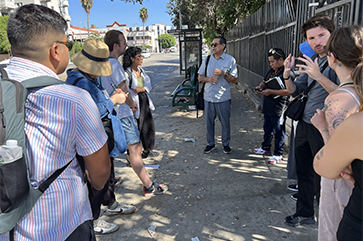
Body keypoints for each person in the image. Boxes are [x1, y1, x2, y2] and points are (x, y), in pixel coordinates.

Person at [0, 4, 111, 240]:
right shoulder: (74, 99)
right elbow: (100, 171)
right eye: (68, 44)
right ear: (56, 50)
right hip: (62, 227)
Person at [66, 39, 137, 235]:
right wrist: (114, 100)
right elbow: (92, 111)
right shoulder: (81, 83)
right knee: (97, 180)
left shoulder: (82, 79)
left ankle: (109, 204)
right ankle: (94, 219)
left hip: (98, 139)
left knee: (106, 177)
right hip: (93, 142)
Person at [282, 14, 339, 227]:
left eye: (321, 35)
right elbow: (296, 91)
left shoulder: (340, 60)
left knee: (325, 177)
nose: (317, 42)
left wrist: (318, 76)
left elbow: (346, 94)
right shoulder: (314, 60)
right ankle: (305, 213)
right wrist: (287, 75)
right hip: (305, 124)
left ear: (332, 34)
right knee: (304, 172)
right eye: (312, 38)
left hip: (325, 128)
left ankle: (329, 221)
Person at [311, 25, 363, 241]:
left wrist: (322, 127)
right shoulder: (356, 91)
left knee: (331, 229)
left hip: (343, 184)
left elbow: (333, 164)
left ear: (332, 58)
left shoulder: (338, 99)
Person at [100, 30, 168, 196]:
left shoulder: (101, 63)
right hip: (122, 113)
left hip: (110, 113)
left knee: (110, 151)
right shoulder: (114, 64)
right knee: (135, 149)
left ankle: (107, 186)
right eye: (124, 43)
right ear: (116, 45)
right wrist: (132, 105)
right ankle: (148, 184)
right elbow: (123, 89)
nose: (126, 45)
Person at [198, 36, 239, 154]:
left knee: (225, 122)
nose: (213, 47)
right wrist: (209, 79)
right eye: (212, 44)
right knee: (209, 123)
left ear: (223, 46)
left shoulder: (230, 60)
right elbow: (200, 77)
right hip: (208, 97)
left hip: (223, 97)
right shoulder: (207, 59)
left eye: (216, 44)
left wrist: (223, 74)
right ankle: (210, 144)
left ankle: (226, 144)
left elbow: (235, 80)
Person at [253, 48, 289, 164]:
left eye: (273, 62)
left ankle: (278, 153)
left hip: (279, 107)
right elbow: (264, 81)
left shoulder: (286, 72)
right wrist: (261, 87)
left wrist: (271, 91)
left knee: (279, 130)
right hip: (268, 105)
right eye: (270, 62)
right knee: (267, 127)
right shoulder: (271, 71)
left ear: (281, 60)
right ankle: (265, 147)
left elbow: (288, 91)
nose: (271, 64)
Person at [123, 46, 156, 159]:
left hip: (144, 101)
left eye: (142, 56)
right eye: (139, 56)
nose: (142, 58)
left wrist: (141, 89)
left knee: (147, 125)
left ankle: (147, 148)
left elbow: (148, 85)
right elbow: (126, 91)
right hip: (133, 103)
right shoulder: (127, 73)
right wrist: (131, 104)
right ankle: (131, 157)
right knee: (133, 130)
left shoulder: (141, 71)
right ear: (132, 58)